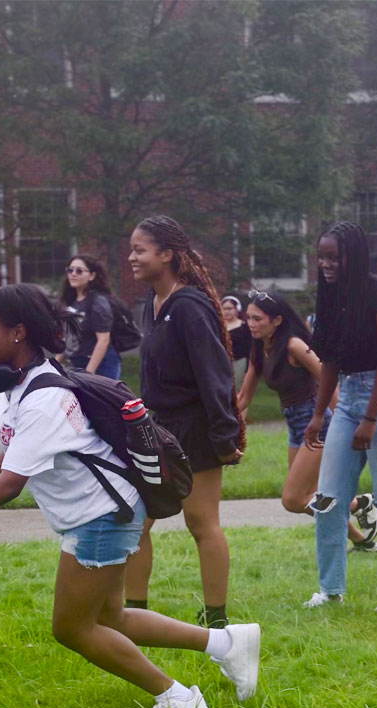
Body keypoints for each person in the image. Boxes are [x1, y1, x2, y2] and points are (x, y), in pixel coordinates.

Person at [0, 283, 260, 708]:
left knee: (73, 628)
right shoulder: (23, 384)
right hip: (103, 511)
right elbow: (16, 450)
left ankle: (177, 697)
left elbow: (9, 484)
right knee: (111, 617)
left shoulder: (45, 397)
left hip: (101, 517)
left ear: (18, 333)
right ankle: (228, 645)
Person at [126, 215, 245, 629]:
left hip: (195, 427)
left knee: (201, 524)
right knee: (135, 520)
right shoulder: (153, 303)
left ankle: (216, 619)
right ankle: (134, 614)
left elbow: (216, 376)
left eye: (140, 250)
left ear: (167, 254)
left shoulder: (191, 307)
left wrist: (224, 435)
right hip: (157, 428)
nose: (132, 257)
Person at [306, 223, 377, 613]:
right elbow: (330, 360)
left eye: (333, 257)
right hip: (348, 401)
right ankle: (330, 590)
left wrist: (369, 419)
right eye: (321, 257)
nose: (326, 264)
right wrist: (320, 413)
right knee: (327, 500)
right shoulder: (331, 295)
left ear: (353, 255)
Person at [235, 290, 377, 551]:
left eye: (257, 319)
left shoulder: (295, 346)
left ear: (277, 320)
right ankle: (362, 540)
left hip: (318, 422)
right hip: (295, 426)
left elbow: (329, 382)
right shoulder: (259, 347)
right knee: (310, 496)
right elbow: (244, 397)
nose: (250, 324)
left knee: (293, 499)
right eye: (248, 318)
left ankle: (359, 504)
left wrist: (345, 424)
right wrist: (220, 422)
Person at [61, 254, 123, 380]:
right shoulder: (70, 302)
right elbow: (67, 338)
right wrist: (54, 364)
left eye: (79, 271)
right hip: (78, 362)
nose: (73, 274)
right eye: (70, 270)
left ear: (92, 276)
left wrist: (89, 373)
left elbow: (103, 340)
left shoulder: (98, 302)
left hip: (102, 364)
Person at [220, 295, 251, 385]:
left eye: (230, 308)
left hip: (239, 361)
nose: (227, 311)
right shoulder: (218, 326)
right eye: (224, 309)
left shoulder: (244, 327)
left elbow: (249, 348)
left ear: (237, 309)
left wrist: (248, 370)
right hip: (221, 362)